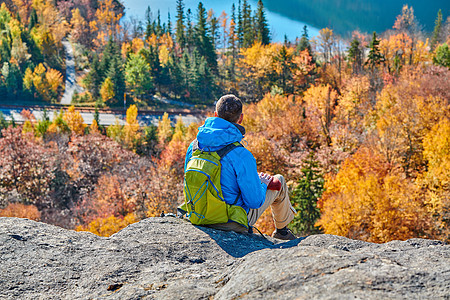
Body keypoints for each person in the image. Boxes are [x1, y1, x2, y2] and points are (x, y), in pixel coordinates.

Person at [184, 94, 297, 240]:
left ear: (215, 115)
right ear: (241, 118)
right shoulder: (241, 154)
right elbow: (254, 202)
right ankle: (282, 233)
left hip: (198, 215)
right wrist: (262, 183)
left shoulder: (194, 147)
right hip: (230, 221)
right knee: (279, 180)